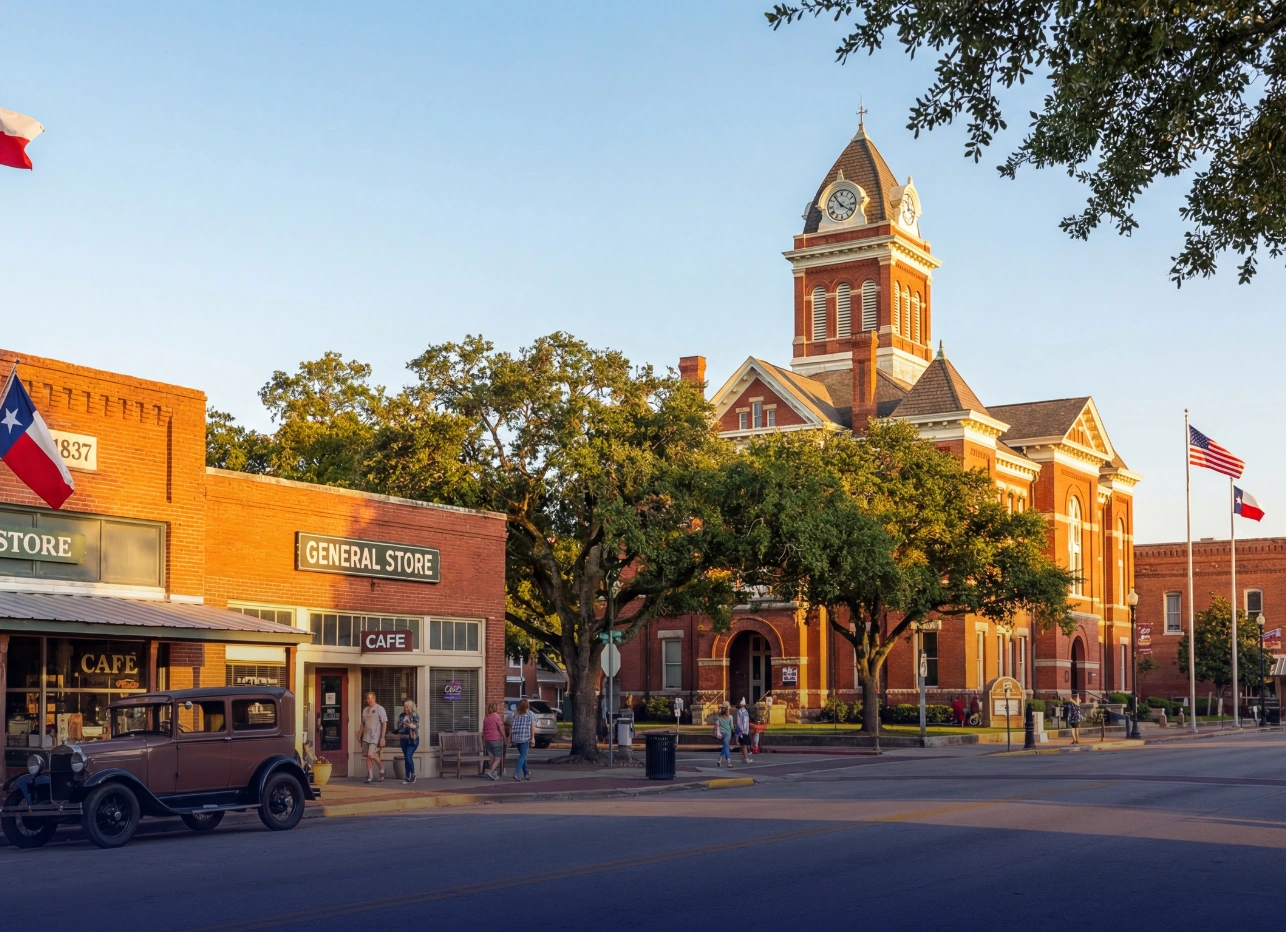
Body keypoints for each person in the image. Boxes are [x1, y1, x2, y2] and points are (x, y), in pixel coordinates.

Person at [357, 691, 387, 783]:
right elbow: (362, 724)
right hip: (366, 736)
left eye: (371, 698)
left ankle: (382, 770)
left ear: (374, 698)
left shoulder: (380, 709)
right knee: (367, 756)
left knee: (371, 754)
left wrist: (382, 737)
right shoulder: (365, 710)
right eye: (368, 698)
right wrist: (359, 734)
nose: (369, 700)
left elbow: (384, 723)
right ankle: (370, 776)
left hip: (375, 736)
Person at [509, 698, 535, 782]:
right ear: (527, 705)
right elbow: (532, 727)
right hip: (525, 737)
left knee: (522, 755)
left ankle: (526, 772)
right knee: (523, 756)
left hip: (516, 737)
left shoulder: (515, 713)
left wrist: (510, 737)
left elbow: (511, 726)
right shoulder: (530, 714)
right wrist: (533, 738)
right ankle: (516, 773)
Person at [397, 699, 420, 784]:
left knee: (408, 756)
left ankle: (413, 775)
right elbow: (399, 726)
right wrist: (399, 724)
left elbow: (416, 726)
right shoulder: (402, 715)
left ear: (410, 707)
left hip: (412, 739)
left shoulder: (414, 714)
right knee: (406, 758)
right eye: (404, 706)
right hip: (403, 738)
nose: (405, 707)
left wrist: (408, 724)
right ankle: (407, 777)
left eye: (407, 706)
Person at [482, 700, 506, 780]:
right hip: (495, 739)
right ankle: (491, 771)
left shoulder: (486, 718)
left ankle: (493, 774)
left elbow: (484, 731)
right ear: (496, 708)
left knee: (491, 758)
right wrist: (505, 738)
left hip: (487, 740)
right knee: (498, 758)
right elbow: (501, 729)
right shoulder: (497, 717)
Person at [714, 703, 734, 767]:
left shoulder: (718, 717)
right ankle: (728, 762)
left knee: (725, 746)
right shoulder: (730, 717)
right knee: (726, 747)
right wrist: (734, 731)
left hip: (721, 733)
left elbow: (717, 723)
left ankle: (719, 760)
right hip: (728, 733)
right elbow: (731, 727)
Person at [735, 698, 752, 764]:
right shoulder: (742, 711)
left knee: (744, 744)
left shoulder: (742, 711)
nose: (737, 704)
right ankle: (745, 758)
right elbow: (741, 721)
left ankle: (745, 757)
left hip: (744, 730)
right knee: (744, 744)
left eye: (738, 703)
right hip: (743, 730)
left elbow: (743, 721)